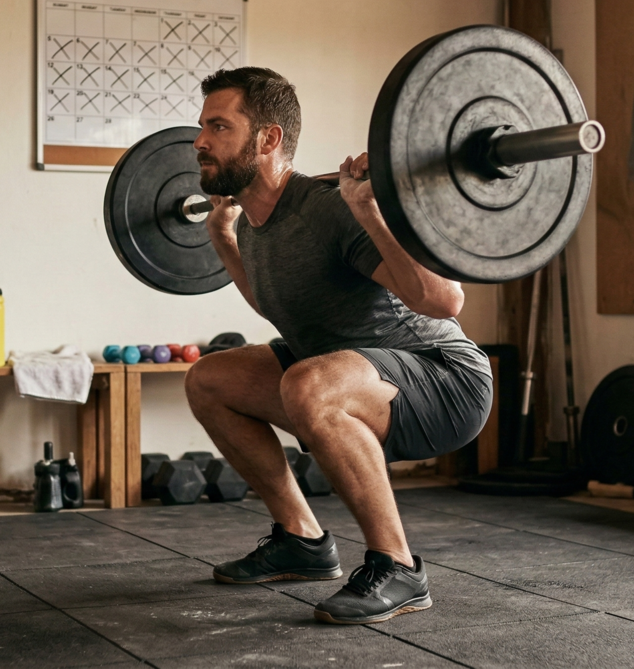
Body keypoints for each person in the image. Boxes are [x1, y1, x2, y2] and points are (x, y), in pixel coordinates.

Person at [184, 67, 493, 625]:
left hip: (444, 379)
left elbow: (445, 301)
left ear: (268, 139)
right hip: (347, 374)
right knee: (209, 378)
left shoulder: (329, 209)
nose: (200, 141)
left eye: (218, 127)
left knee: (308, 383)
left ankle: (399, 568)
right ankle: (302, 541)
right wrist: (224, 240)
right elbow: (274, 303)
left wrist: (368, 210)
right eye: (202, 126)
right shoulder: (254, 221)